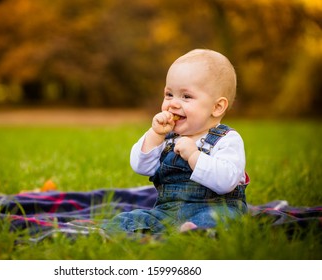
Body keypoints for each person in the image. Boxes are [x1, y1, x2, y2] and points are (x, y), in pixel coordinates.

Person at [104, 48, 249, 234]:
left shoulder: (227, 139)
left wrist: (194, 156)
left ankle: (196, 232)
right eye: (169, 94)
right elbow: (141, 167)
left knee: (220, 220)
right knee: (124, 220)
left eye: (186, 96)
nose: (173, 103)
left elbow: (226, 181)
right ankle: (169, 231)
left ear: (217, 107)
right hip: (167, 211)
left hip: (216, 207)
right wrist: (155, 134)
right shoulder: (168, 137)